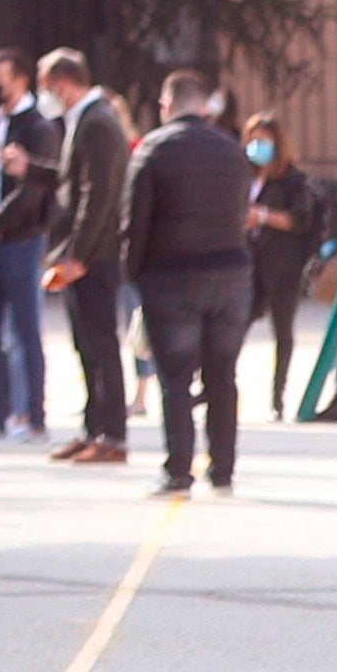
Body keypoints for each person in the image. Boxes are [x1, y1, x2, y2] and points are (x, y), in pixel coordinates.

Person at [123, 68, 256, 495]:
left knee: (176, 378)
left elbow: (135, 224)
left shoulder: (153, 151)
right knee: (223, 375)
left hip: (171, 276)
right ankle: (223, 469)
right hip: (230, 274)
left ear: (166, 106)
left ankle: (179, 469)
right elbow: (239, 214)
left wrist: (135, 274)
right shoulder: (232, 151)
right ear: (203, 105)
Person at [40, 51, 136, 465]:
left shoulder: (97, 121)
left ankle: (112, 435)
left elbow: (98, 195)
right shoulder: (86, 119)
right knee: (86, 344)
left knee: (100, 344)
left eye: (46, 85)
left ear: (62, 81)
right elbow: (73, 180)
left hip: (96, 255)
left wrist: (78, 254)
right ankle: (93, 426)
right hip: (86, 253)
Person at [0, 51, 58, 439]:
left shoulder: (37, 127)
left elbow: (31, 192)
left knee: (25, 330)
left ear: (20, 80)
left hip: (20, 241)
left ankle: (31, 414)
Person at [248, 110, 324, 417]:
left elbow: (301, 220)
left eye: (263, 141)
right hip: (249, 264)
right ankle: (215, 387)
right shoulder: (245, 175)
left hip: (283, 266)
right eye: (252, 140)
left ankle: (277, 397)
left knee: (282, 332)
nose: (256, 147)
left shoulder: (293, 180)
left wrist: (262, 216)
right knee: (233, 326)